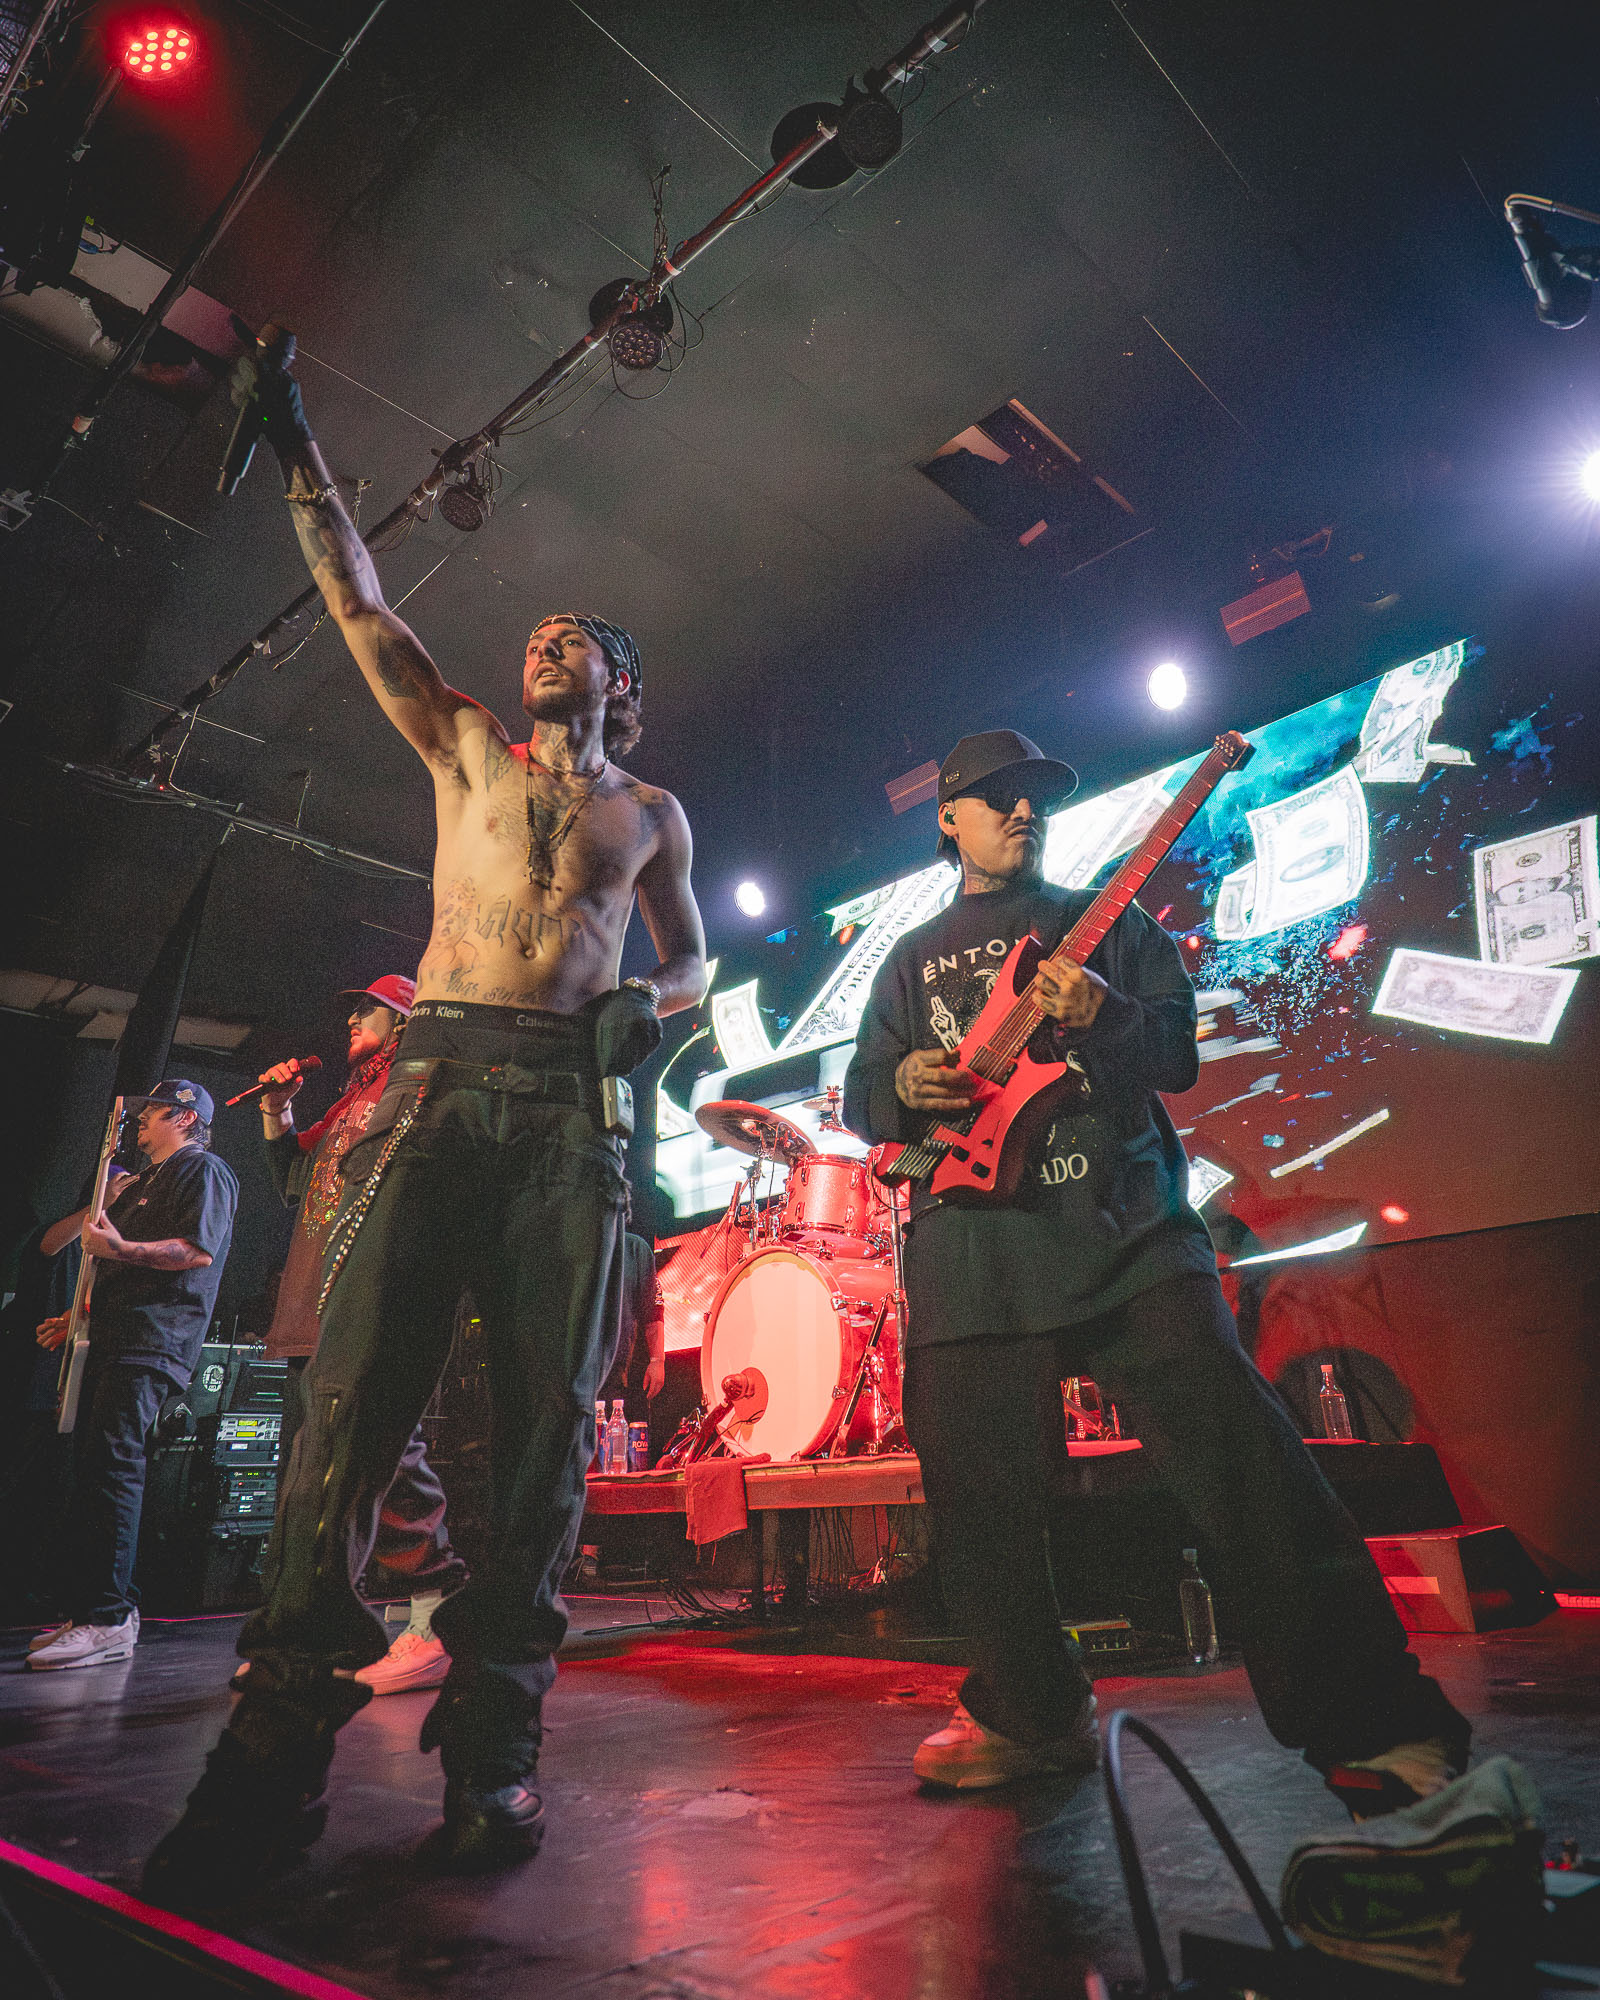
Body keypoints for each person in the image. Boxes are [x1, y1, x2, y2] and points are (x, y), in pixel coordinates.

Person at [145, 350, 706, 1903]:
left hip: (569, 1112)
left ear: (621, 684)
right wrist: (295, 442)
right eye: (535, 633)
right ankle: (268, 1763)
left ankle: (495, 1752)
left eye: (575, 637)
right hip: (437, 1086)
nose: (543, 639)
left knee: (544, 1439)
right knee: (346, 1412)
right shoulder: (461, 745)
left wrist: (656, 1005)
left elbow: (695, 958)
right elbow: (361, 604)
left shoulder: (652, 814)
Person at [842, 729, 1470, 1808]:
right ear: (947, 817)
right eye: (997, 797)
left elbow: (1173, 1058)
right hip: (972, 1254)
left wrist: (1106, 1016)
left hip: (1126, 1233)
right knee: (980, 1512)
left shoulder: (1112, 922)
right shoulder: (909, 958)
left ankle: (1377, 1720)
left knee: (1248, 1474)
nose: (1023, 811)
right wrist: (902, 1079)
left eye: (1036, 797)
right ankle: (1031, 1715)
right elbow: (866, 1097)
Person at [257, 972, 466, 1694]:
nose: (352, 1020)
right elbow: (295, 1181)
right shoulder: (353, 1100)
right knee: (313, 1475)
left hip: (366, 1297)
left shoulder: (416, 1088)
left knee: (384, 1452)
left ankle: (435, 1614)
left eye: (368, 1010)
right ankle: (316, 1625)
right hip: (313, 1302)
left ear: (404, 1020)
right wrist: (277, 1111)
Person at [33, 1080, 238, 1671]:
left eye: (152, 1111)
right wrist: (77, 1317)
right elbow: (112, 1261)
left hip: (152, 1341)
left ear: (183, 1116)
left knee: (114, 1467)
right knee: (93, 1470)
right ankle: (92, 1608)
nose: (141, 1120)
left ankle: (108, 1618)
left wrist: (120, 1249)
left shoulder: (204, 1171)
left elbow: (195, 1251)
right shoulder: (143, 1182)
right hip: (114, 1338)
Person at [596, 1230, 666, 1414]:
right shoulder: (569, 1249)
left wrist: (657, 1360)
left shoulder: (635, 1248)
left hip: (621, 1377)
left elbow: (653, 1310)